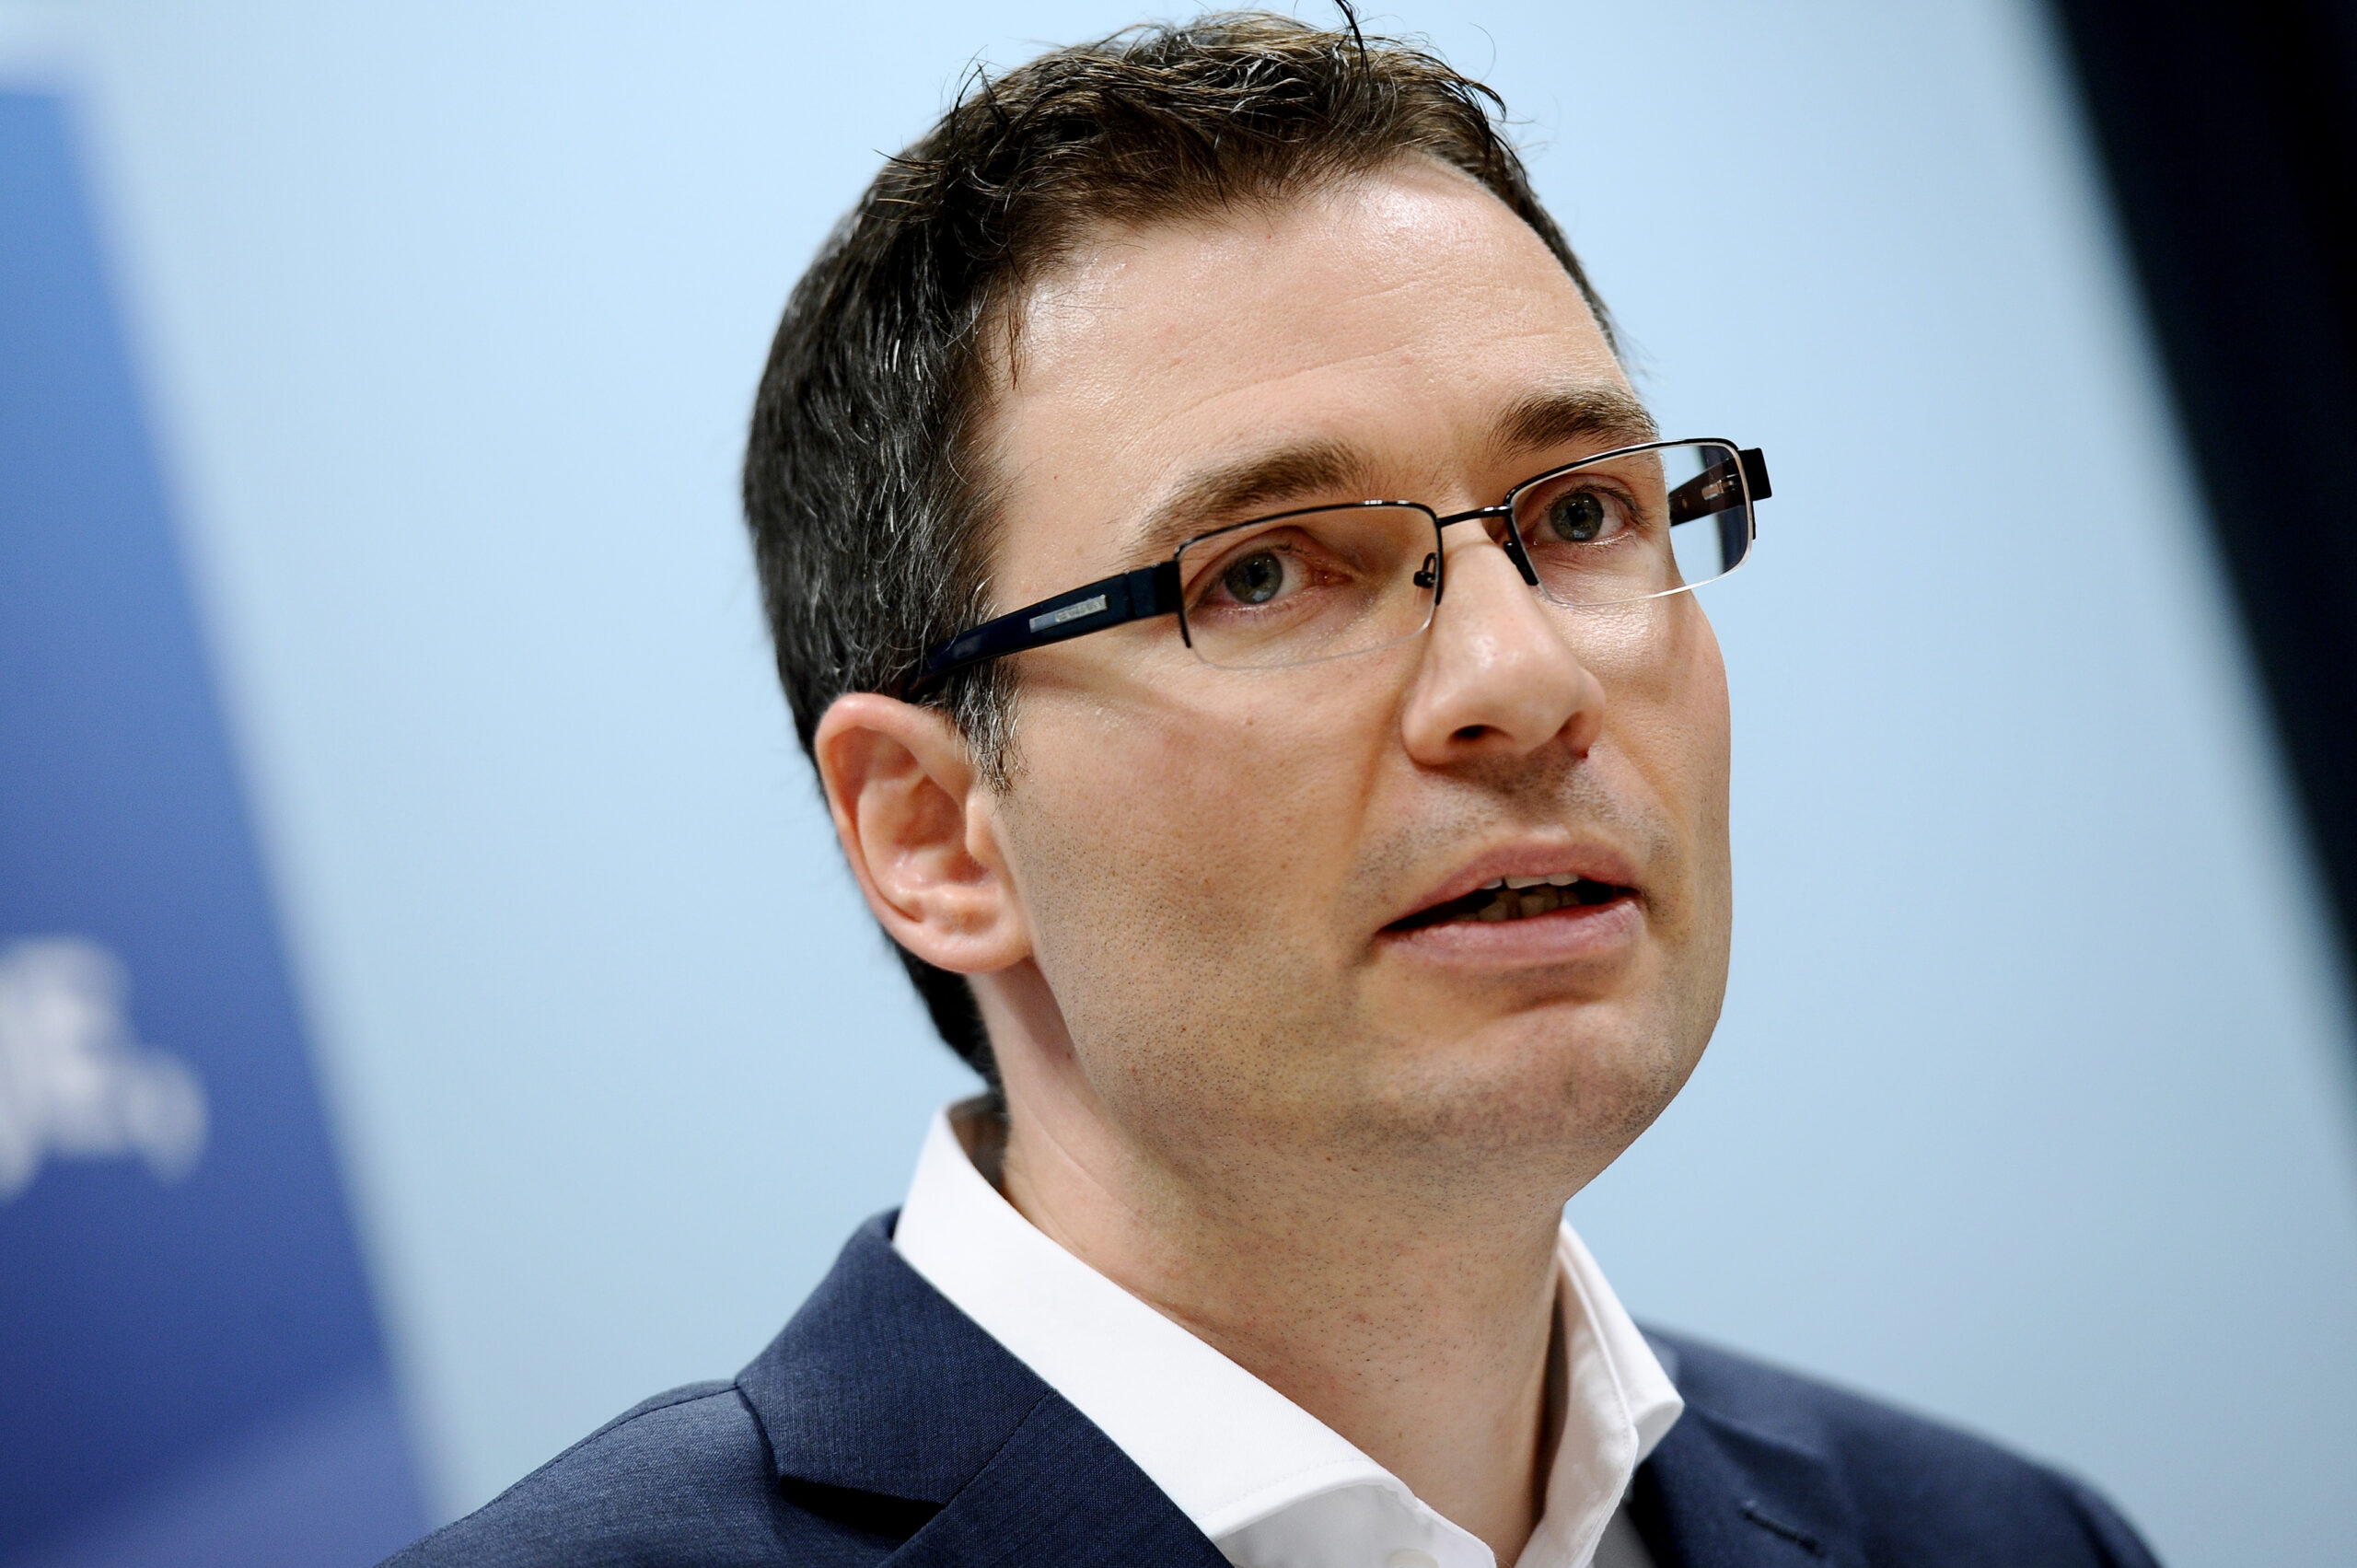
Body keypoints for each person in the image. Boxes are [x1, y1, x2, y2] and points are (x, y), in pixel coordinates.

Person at [384, 13, 2162, 1567]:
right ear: (933, 833)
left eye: (1581, 514)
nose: (1522, 679)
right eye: (1260, 574)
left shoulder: (2003, 1540)